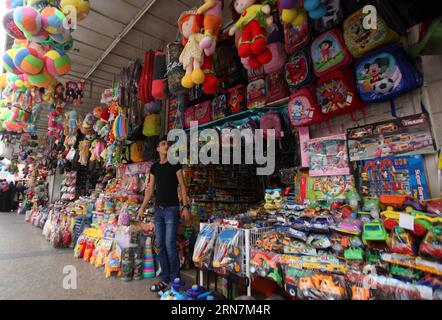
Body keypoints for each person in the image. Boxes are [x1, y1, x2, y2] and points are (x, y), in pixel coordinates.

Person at [138, 136, 190, 295]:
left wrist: (185, 206)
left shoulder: (175, 164)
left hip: (172, 209)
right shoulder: (154, 168)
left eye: (167, 144)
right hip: (158, 211)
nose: (166, 146)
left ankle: (175, 280)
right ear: (158, 149)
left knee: (169, 244)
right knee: (160, 245)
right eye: (163, 144)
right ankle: (166, 278)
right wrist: (142, 207)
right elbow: (150, 189)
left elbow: (182, 186)